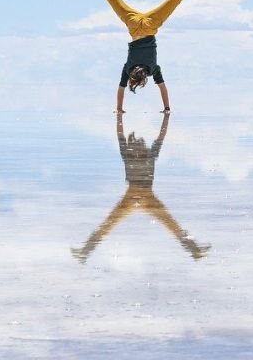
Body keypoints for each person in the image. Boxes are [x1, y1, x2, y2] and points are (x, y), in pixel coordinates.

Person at [70, 111, 211, 262]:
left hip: (136, 196)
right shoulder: (145, 154)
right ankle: (194, 250)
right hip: (142, 196)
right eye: (140, 143)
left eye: (140, 143)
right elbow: (157, 135)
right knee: (170, 224)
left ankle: (85, 252)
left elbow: (124, 134)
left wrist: (120, 116)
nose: (141, 144)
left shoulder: (133, 153)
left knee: (111, 224)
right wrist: (165, 117)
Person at [75, 0, 216, 113]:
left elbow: (162, 88)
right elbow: (121, 89)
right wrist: (119, 108)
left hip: (151, 25)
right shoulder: (128, 69)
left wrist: (167, 108)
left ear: (144, 79)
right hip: (133, 24)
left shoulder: (152, 70)